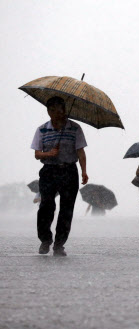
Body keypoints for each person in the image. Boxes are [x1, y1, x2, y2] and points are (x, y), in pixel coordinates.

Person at [31, 96, 88, 256]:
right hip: (49, 172)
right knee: (46, 206)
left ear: (64, 109)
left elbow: (81, 152)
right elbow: (37, 154)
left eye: (59, 109)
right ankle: (45, 240)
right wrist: (49, 153)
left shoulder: (75, 128)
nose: (56, 113)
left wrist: (84, 171)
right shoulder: (42, 129)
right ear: (48, 111)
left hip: (69, 171)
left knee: (66, 209)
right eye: (52, 110)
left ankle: (59, 244)